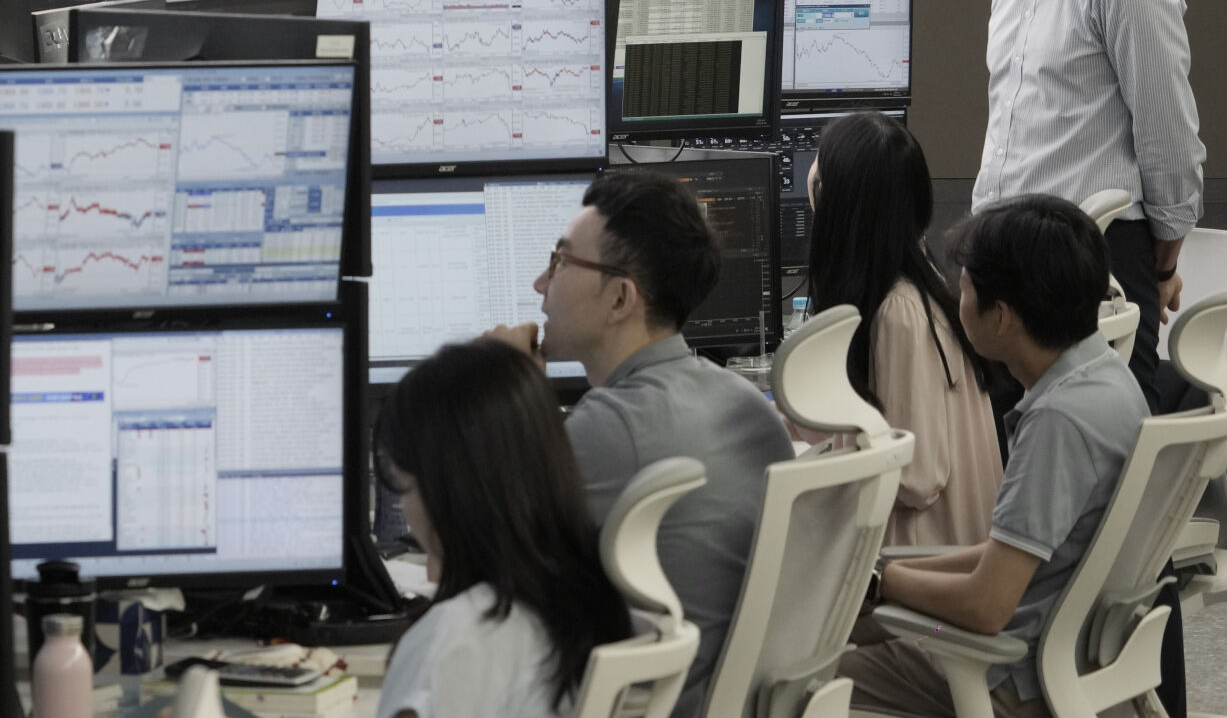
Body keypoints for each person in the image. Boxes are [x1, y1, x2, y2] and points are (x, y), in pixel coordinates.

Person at [487, 168, 793, 718]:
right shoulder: (746, 403)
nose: (540, 283)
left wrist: (499, 392)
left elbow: (475, 557)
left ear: (620, 298)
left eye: (559, 262)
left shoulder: (613, 428)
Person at [959, 0, 1205, 410]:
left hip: (1089, 260)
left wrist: (1161, 265)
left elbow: (1167, 131)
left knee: (1101, 479)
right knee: (1010, 465)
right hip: (1007, 257)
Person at [841, 194, 1148, 718]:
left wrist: (878, 582)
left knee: (800, 676)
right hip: (1067, 657)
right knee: (862, 621)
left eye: (963, 285)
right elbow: (1007, 556)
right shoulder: (1108, 379)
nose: (955, 295)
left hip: (1007, 674)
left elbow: (986, 605)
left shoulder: (1060, 423)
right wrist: (884, 569)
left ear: (1001, 317)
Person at [373, 338, 634, 718]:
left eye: (407, 488)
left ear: (447, 491)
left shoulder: (455, 639)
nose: (407, 510)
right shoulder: (592, 606)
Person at [804, 111, 1003, 546]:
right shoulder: (918, 281)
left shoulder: (899, 313)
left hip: (921, 587)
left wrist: (826, 473)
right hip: (935, 559)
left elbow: (916, 476)